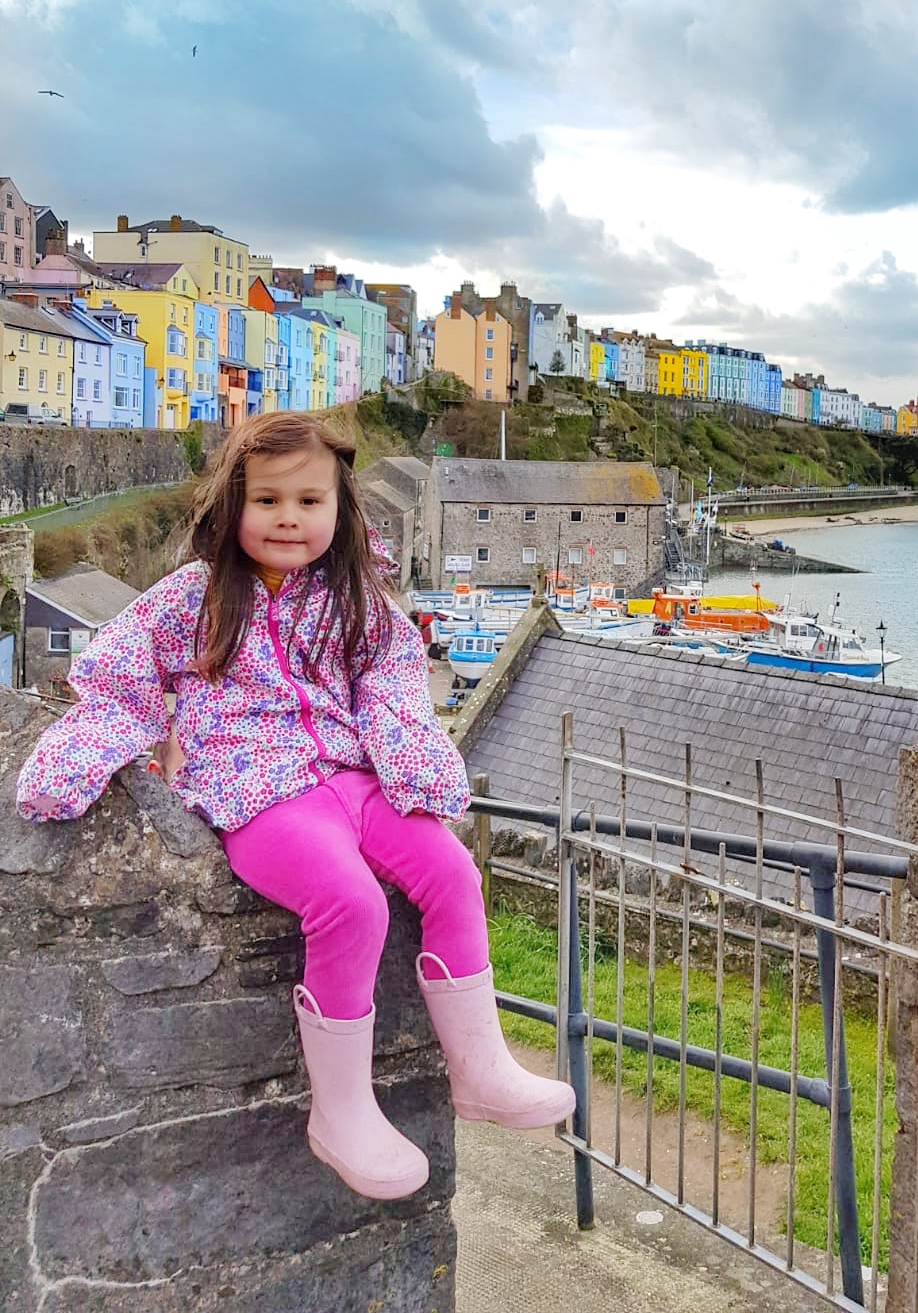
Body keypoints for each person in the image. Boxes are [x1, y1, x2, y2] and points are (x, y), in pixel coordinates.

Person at [17, 412, 574, 1201]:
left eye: (309, 501)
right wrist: (80, 756)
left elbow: (392, 674)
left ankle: (480, 1069)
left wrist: (411, 760)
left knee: (452, 869)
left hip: (349, 774)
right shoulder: (196, 596)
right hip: (255, 791)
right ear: (230, 506)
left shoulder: (351, 596)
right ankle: (341, 1110)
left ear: (340, 509)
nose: (288, 517)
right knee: (349, 901)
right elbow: (118, 672)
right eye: (267, 499)